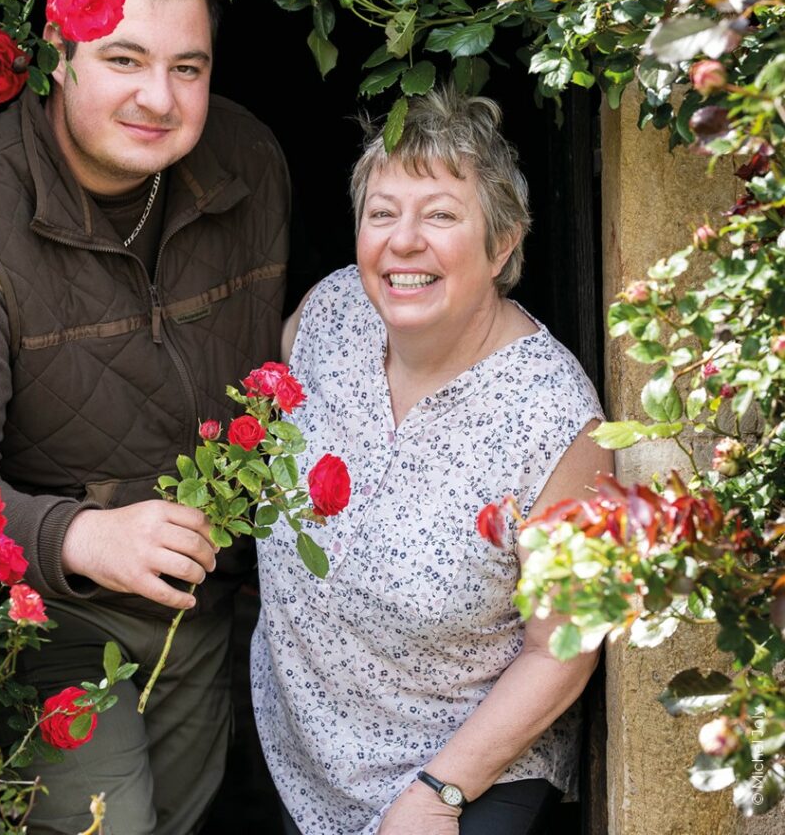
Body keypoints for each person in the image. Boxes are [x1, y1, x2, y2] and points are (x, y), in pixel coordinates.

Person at [0, 0, 291, 835]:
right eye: (124, 59)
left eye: (188, 67)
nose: (160, 97)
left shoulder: (248, 161)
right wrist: (82, 537)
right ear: (56, 60)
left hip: (204, 595)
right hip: (50, 616)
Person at [251, 85, 612, 835]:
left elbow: (563, 643)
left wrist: (439, 794)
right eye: (382, 213)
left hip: (461, 779)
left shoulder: (553, 420)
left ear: (503, 242)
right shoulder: (331, 314)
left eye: (441, 214)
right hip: (304, 758)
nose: (403, 241)